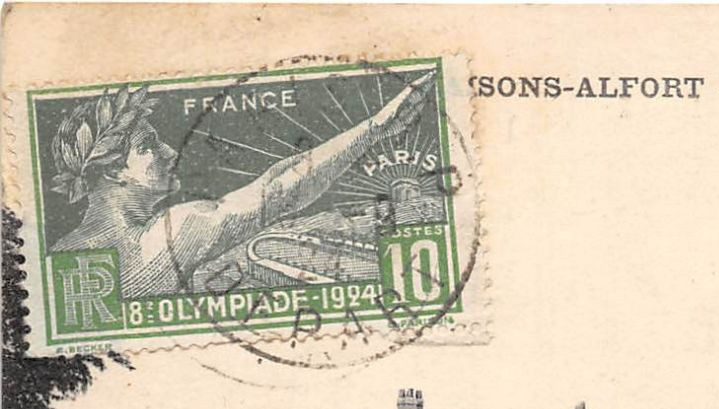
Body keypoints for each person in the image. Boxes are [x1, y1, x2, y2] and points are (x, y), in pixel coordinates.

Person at [48, 73, 432, 297]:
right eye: (148, 146)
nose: (168, 152)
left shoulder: (63, 253)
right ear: (113, 172)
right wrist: (374, 130)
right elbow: (279, 190)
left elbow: (280, 180)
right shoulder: (168, 235)